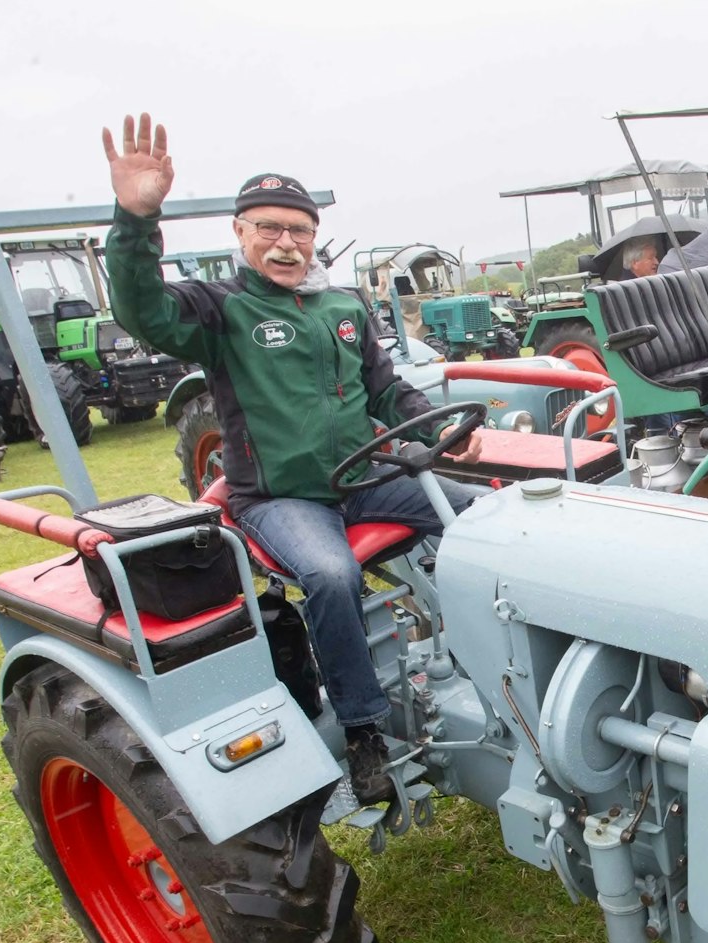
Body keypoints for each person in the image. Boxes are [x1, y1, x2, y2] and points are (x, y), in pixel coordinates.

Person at [99, 113, 483, 806]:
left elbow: (385, 389)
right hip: (282, 498)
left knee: (482, 514)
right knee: (332, 575)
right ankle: (364, 730)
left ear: (313, 238)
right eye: (268, 228)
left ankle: (483, 661)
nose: (285, 241)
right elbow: (142, 312)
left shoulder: (342, 304)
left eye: (298, 229)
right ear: (241, 235)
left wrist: (442, 429)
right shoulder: (220, 310)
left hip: (363, 480)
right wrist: (134, 220)